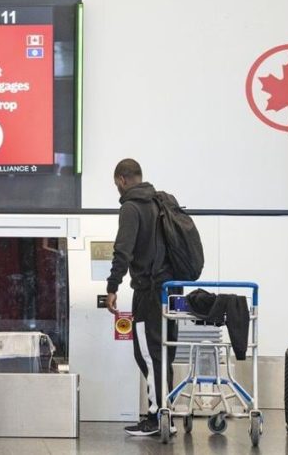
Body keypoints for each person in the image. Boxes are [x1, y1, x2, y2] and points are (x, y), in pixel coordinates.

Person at [104, 158, 178, 437]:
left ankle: (158, 416)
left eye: (116, 185)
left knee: (147, 354)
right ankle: (164, 412)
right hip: (172, 289)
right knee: (164, 353)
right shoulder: (161, 203)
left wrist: (113, 287)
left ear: (122, 180)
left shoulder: (131, 207)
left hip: (149, 291)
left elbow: (123, 251)